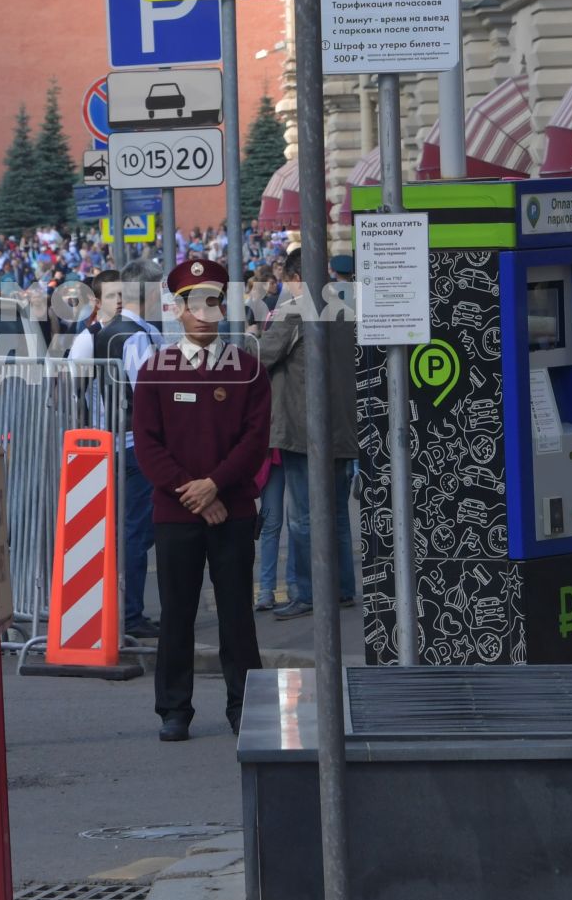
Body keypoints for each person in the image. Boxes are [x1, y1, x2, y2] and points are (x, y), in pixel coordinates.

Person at [131, 258, 269, 741]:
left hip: (232, 510)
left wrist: (215, 485)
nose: (205, 312)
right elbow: (147, 444)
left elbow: (255, 440)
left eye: (213, 300)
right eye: (195, 302)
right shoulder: (155, 371)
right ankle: (174, 708)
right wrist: (192, 493)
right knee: (177, 612)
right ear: (178, 310)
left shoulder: (247, 369)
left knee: (236, 613)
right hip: (176, 514)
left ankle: (244, 703)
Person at [68, 263, 167, 638]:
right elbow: (147, 394)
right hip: (133, 444)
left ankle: (116, 610)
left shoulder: (106, 331)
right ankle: (129, 614)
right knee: (136, 533)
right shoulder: (136, 336)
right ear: (151, 292)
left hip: (112, 440)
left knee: (123, 531)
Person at [260, 250, 360, 619]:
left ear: (295, 276)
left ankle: (307, 591)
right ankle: (343, 588)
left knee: (302, 516)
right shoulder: (345, 309)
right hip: (341, 427)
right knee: (335, 513)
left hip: (303, 429)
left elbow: (260, 359)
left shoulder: (295, 311)